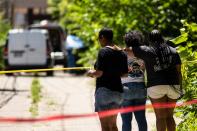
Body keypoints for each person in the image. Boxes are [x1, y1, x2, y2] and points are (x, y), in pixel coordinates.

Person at [124, 30, 182, 131]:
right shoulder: (173, 51)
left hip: (156, 86)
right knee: (170, 116)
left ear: (150, 39)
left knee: (160, 117)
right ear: (162, 38)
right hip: (174, 85)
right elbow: (179, 72)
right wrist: (181, 88)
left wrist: (114, 48)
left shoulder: (147, 50)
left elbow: (128, 49)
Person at [87, 28, 128, 131]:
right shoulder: (122, 53)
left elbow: (99, 73)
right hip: (118, 92)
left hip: (104, 92)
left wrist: (91, 73)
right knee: (113, 126)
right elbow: (125, 74)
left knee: (105, 127)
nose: (99, 41)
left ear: (103, 37)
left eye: (99, 39)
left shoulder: (103, 51)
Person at [121, 31, 147, 131]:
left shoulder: (121, 54)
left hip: (125, 87)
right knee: (141, 119)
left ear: (126, 41)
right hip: (141, 87)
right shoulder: (144, 53)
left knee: (126, 120)